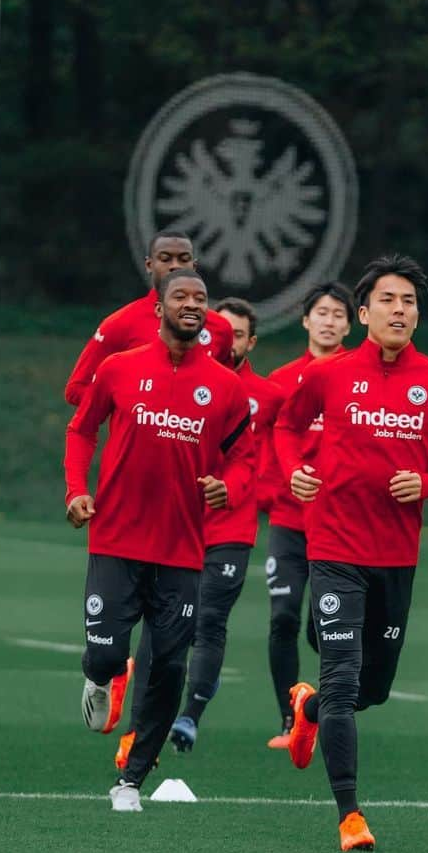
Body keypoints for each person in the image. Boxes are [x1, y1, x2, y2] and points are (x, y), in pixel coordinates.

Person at [273, 253, 428, 851]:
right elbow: (287, 428)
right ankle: (350, 815)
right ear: (363, 313)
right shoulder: (330, 374)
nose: (399, 309)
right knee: (341, 679)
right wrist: (295, 474)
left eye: (409, 301)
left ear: (418, 316)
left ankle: (307, 713)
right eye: (388, 300)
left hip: (396, 557)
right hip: (334, 548)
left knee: (373, 690)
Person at [65, 270, 254, 811]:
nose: (192, 305)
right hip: (116, 540)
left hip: (182, 551)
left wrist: (230, 486)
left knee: (169, 667)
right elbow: (81, 429)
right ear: (161, 308)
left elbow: (245, 459)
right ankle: (98, 679)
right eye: (181, 297)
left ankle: (131, 779)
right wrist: (77, 490)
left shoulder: (224, 386)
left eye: (200, 298)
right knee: (106, 654)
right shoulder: (119, 369)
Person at [168, 297, 284, 753]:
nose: (223, 341)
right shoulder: (181, 382)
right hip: (179, 524)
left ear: (250, 342)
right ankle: (147, 713)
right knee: (170, 624)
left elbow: (282, 451)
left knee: (210, 620)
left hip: (232, 529)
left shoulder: (269, 397)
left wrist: (254, 492)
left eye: (235, 335)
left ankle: (189, 717)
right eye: (217, 332)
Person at [263, 282, 354, 746]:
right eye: (322, 312)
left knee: (326, 629)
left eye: (339, 314)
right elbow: (266, 442)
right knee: (282, 617)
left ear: (349, 324)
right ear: (305, 320)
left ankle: (317, 708)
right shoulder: (281, 381)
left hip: (337, 525)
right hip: (287, 522)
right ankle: (288, 719)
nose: (330, 320)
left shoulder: (358, 378)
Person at [64, 232, 232, 407]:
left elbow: (231, 394)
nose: (175, 266)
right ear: (149, 265)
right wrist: (128, 404)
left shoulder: (220, 327)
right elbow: (76, 389)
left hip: (196, 434)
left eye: (183, 259)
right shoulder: (121, 323)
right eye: (165, 259)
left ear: (194, 266)